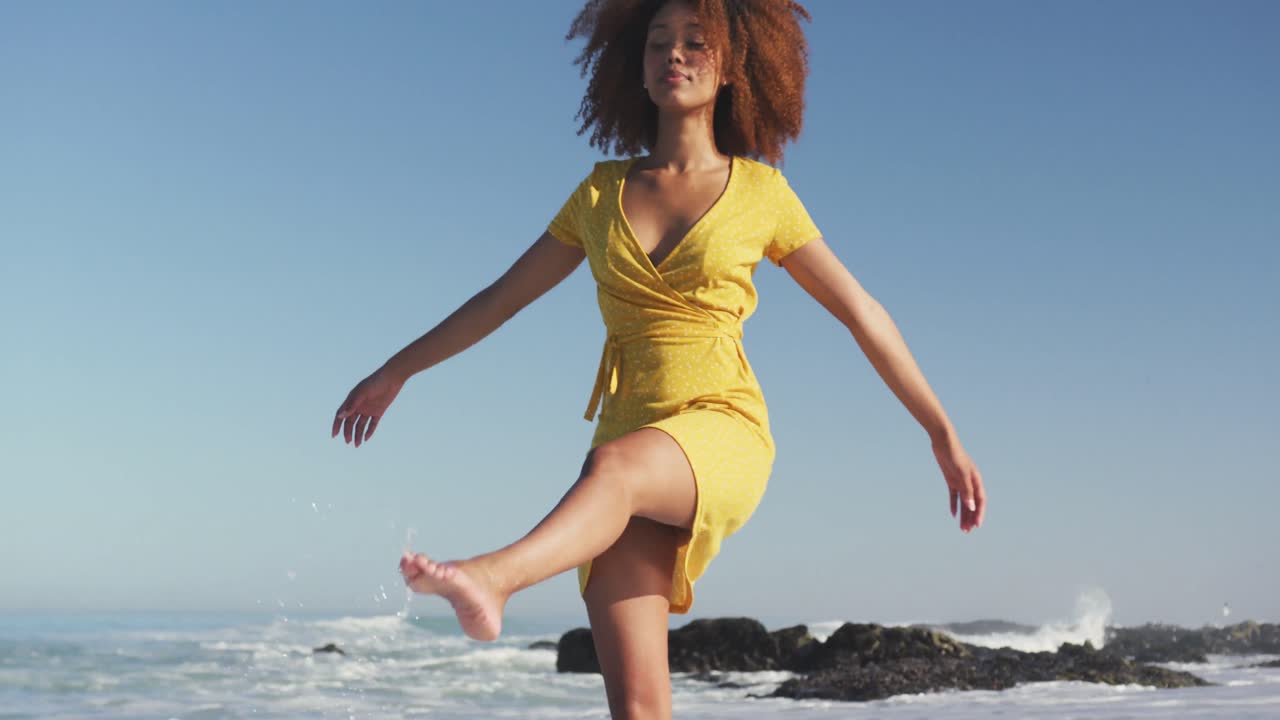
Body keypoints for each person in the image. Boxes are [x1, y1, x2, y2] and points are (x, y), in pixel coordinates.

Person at [332, 0, 986, 717]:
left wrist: (940, 431)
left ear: (733, 65)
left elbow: (863, 313)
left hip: (720, 428)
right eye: (658, 44)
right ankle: (495, 578)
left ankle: (492, 578)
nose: (674, 55)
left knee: (612, 468)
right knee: (639, 709)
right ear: (635, 69)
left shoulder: (763, 194)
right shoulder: (599, 193)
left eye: (696, 43)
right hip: (622, 458)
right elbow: (500, 300)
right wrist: (396, 370)